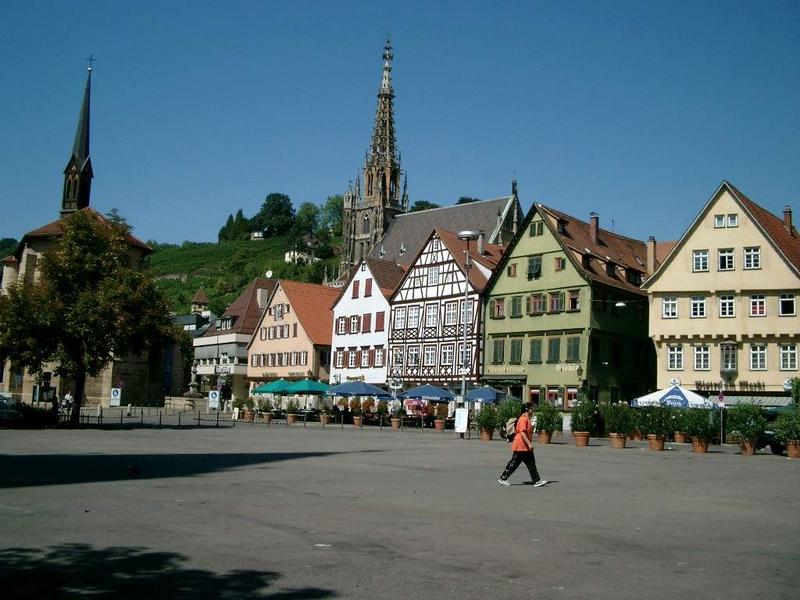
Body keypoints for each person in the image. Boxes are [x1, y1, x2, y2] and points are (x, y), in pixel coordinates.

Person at [498, 403, 548, 487]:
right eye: (531, 408)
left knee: (531, 463)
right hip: (521, 444)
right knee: (514, 462)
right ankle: (503, 478)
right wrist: (529, 443)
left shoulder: (527, 419)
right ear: (527, 409)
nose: (532, 410)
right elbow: (522, 432)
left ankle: (537, 480)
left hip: (525, 445)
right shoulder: (523, 419)